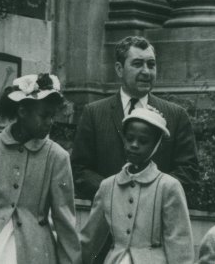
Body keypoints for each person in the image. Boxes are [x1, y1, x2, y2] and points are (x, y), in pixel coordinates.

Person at [0, 74, 80, 264]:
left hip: (36, 250)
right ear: (22, 111)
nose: (50, 122)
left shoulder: (57, 157)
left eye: (52, 116)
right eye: (44, 115)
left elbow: (65, 221)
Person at [72, 36, 199, 198]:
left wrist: (151, 194)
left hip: (155, 215)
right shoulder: (94, 113)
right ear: (119, 69)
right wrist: (113, 192)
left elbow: (188, 170)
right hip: (107, 215)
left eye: (151, 65)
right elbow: (79, 168)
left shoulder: (176, 115)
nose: (146, 71)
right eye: (137, 64)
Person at [79, 108, 194, 264]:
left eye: (143, 141)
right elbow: (90, 239)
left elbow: (179, 242)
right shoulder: (108, 186)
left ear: (157, 145)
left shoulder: (168, 186)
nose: (134, 145)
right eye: (129, 138)